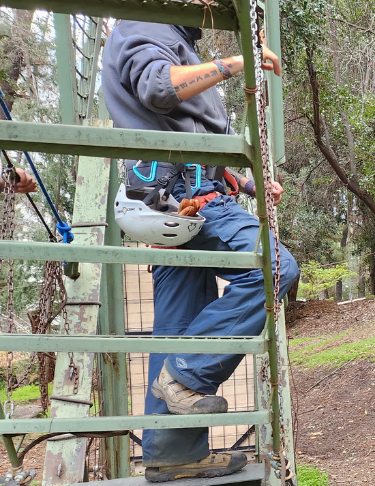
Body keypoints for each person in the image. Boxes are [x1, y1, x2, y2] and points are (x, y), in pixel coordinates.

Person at [102, 23, 300, 482]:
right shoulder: (145, 24)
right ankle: (186, 378)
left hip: (175, 197)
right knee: (274, 267)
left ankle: (174, 454)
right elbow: (156, 88)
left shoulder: (178, 39)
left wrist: (245, 181)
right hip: (188, 197)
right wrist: (235, 64)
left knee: (175, 330)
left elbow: (188, 136)